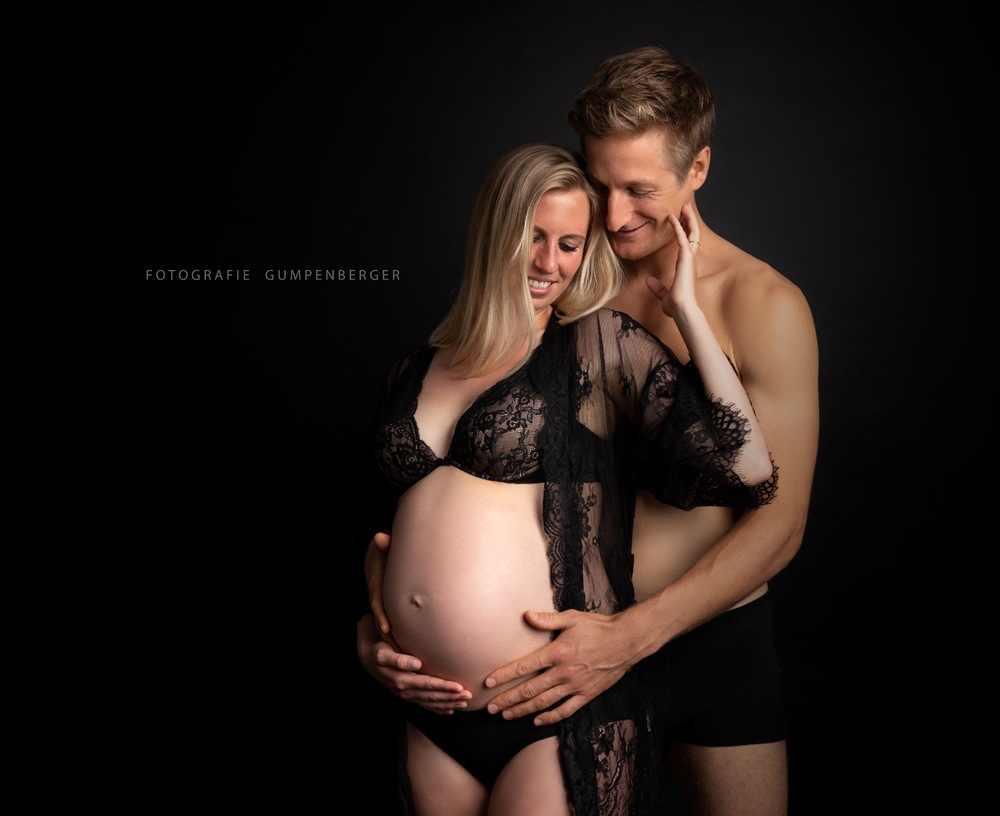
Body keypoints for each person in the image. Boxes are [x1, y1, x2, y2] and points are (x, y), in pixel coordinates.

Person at [360, 47, 819, 816]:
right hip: (561, 646)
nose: (612, 215)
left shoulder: (763, 303)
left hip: (702, 635)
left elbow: (779, 521)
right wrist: (385, 608)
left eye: (640, 190)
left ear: (698, 168)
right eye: (599, 184)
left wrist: (628, 638)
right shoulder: (565, 267)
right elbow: (446, 484)